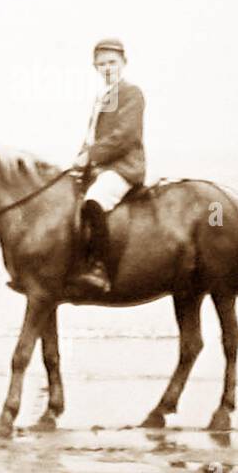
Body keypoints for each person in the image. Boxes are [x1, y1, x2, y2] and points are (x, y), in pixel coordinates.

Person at [69, 38, 145, 293]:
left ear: (124, 63)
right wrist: (79, 160)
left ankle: (99, 268)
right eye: (101, 64)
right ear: (96, 68)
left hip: (124, 166)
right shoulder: (102, 97)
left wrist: (90, 156)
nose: (107, 68)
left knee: (94, 201)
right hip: (99, 166)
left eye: (112, 62)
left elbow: (125, 136)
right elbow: (92, 136)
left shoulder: (131, 93)